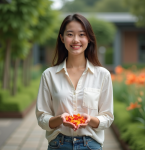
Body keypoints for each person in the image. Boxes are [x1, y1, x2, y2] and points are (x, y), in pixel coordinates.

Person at [36, 13, 114, 150]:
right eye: (70, 34)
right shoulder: (49, 75)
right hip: (58, 144)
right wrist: (60, 119)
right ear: (62, 38)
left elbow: (107, 117)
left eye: (82, 35)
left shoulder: (103, 75)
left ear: (89, 38)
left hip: (91, 145)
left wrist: (91, 120)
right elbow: (42, 117)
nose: (76, 40)